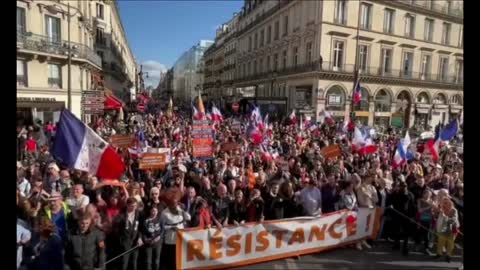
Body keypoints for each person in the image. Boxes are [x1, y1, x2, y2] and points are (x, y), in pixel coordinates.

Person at [159, 188, 190, 270]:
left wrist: (183, 211)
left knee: (180, 257)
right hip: (170, 239)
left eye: (176, 204)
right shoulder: (164, 213)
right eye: (173, 204)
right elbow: (161, 226)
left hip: (180, 237)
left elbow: (188, 218)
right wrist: (171, 227)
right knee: (172, 259)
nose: (175, 206)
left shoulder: (180, 210)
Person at [111, 197, 143, 270]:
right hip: (125, 242)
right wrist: (121, 239)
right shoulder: (122, 215)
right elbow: (115, 226)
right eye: (132, 206)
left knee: (134, 262)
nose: (134, 208)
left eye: (135, 206)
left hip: (135, 241)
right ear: (127, 205)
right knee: (124, 262)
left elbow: (141, 228)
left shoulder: (138, 214)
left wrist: (140, 238)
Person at [389, 181, 416, 256]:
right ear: (400, 187)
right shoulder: (396, 194)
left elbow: (413, 206)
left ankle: (405, 247)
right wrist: (391, 206)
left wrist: (412, 216)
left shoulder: (410, 195)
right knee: (396, 230)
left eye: (405, 186)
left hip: (407, 216)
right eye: (402, 186)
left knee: (406, 232)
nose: (404, 187)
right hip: (398, 214)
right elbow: (392, 202)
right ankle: (396, 244)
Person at [435, 197, 460, 262]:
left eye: (446, 202)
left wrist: (445, 217)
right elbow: (436, 216)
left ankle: (448, 256)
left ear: (450, 203)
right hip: (444, 227)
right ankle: (439, 253)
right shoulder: (442, 209)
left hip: (452, 228)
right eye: (444, 202)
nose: (445, 204)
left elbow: (454, 220)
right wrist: (437, 212)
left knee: (450, 243)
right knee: (441, 241)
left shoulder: (454, 210)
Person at [415, 189, 434, 254]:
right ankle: (417, 245)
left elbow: (433, 210)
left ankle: (426, 248)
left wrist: (433, 209)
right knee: (419, 233)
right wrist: (428, 207)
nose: (428, 195)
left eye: (429, 194)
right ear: (424, 194)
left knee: (427, 234)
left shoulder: (431, 201)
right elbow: (419, 210)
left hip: (428, 219)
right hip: (421, 219)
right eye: (427, 193)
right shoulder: (420, 200)